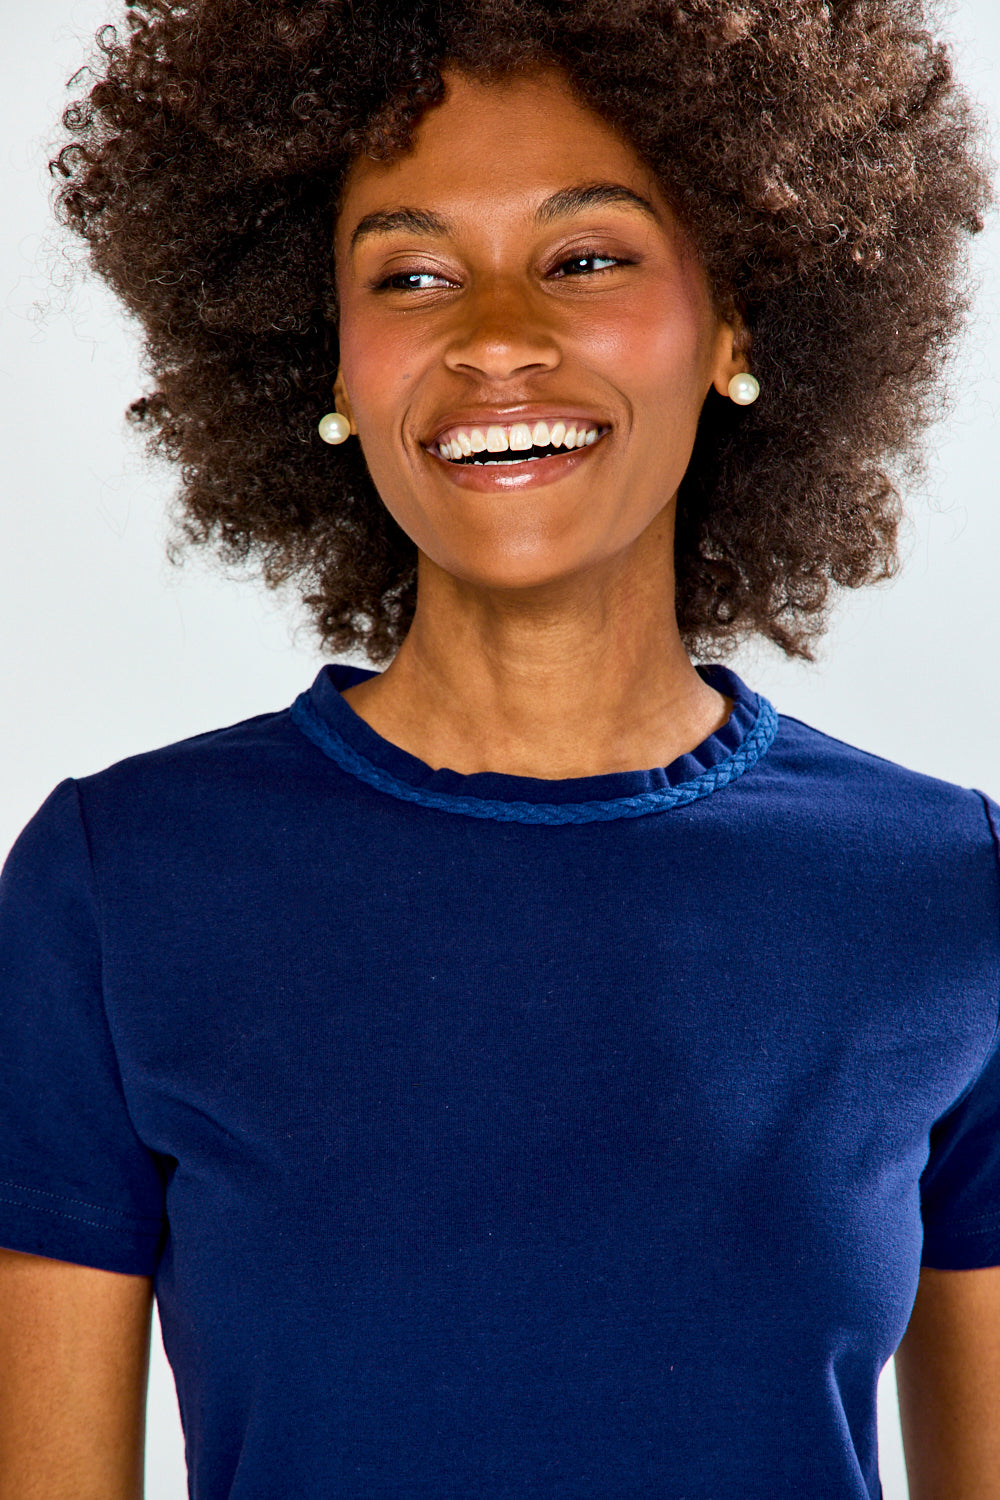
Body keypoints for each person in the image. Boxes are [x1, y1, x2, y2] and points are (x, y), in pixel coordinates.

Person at [0, 1, 997, 1496]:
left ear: (733, 320)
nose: (496, 339)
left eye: (585, 258)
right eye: (412, 275)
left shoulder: (946, 889)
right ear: (331, 362)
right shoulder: (118, 887)